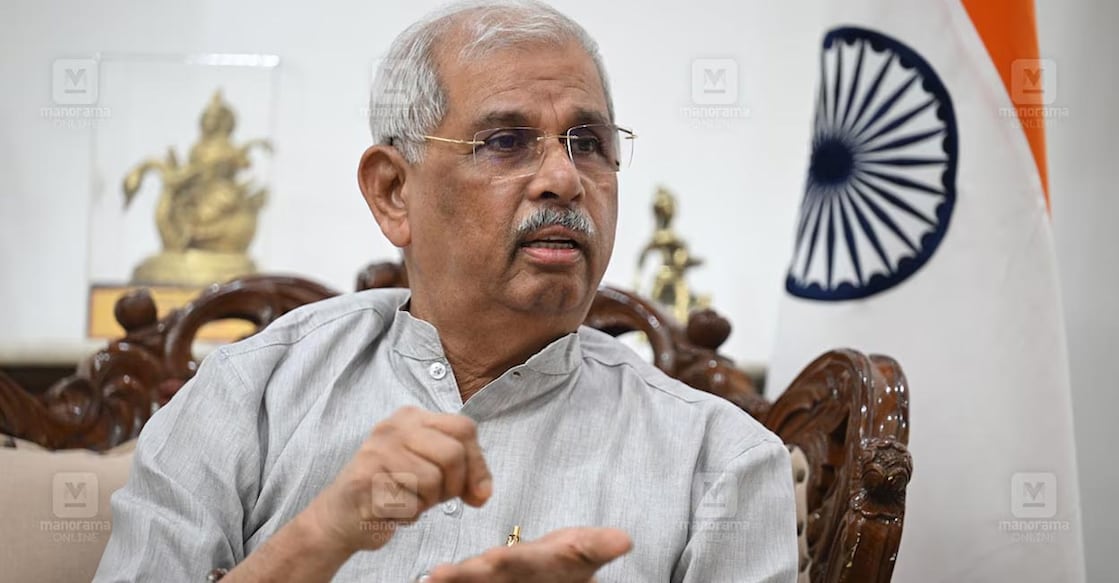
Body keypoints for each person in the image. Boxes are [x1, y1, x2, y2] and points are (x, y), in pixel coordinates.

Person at [93, 1, 797, 581]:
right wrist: (316, 540)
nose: (564, 179)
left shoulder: (719, 462)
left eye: (587, 143)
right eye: (506, 141)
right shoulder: (249, 395)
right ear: (393, 191)